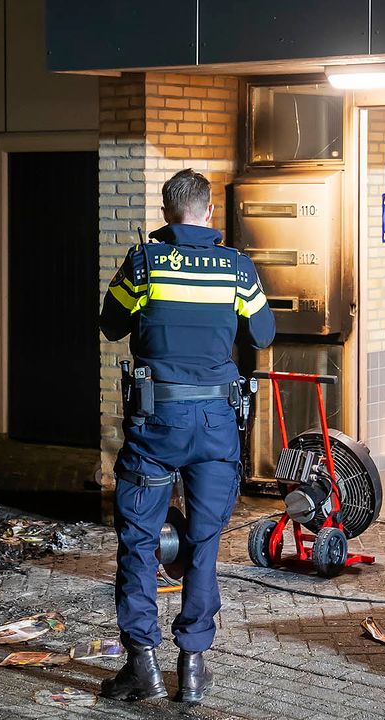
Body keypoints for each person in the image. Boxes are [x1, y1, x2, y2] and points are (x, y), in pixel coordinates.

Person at [98, 169, 276, 703]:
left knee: (139, 542)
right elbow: (263, 334)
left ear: (164, 210)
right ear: (207, 213)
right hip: (217, 426)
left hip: (157, 423)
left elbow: (110, 325)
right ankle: (193, 669)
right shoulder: (236, 268)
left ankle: (143, 667)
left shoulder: (145, 262)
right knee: (202, 544)